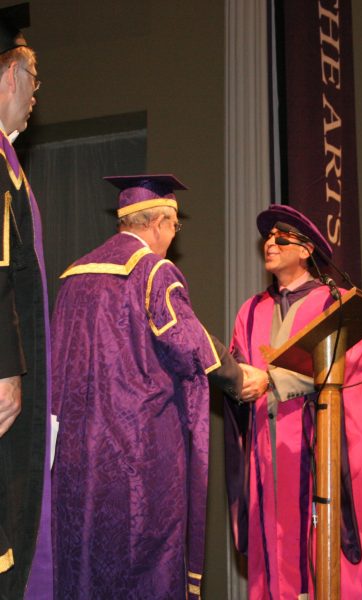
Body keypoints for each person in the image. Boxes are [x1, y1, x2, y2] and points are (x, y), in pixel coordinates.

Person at [51, 174, 268, 600]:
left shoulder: (73, 276)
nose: (172, 236)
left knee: (83, 561)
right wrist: (240, 376)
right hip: (137, 453)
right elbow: (186, 339)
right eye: (174, 227)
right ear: (159, 223)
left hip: (76, 455)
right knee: (140, 563)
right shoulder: (152, 269)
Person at [225, 204, 362, 600]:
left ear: (306, 250)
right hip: (265, 455)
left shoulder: (336, 303)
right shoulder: (251, 310)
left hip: (315, 451)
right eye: (268, 238)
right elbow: (239, 372)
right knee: (270, 554)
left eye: (281, 238)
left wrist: (272, 379)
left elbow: (348, 367)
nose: (269, 243)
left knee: (312, 557)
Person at [0, 4, 52, 599]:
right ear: (12, 76)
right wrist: (6, 366)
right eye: (35, 82)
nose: (37, 96)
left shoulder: (13, 163)